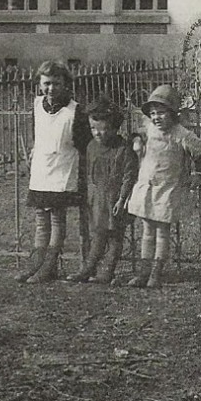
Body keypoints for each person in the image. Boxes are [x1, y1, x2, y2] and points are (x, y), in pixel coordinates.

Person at [126, 85, 201, 290]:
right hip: (147, 186)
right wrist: (137, 141)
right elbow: (135, 134)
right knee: (147, 231)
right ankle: (143, 272)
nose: (157, 118)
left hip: (167, 190)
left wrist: (197, 175)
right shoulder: (149, 129)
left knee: (162, 232)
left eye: (162, 112)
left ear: (173, 114)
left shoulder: (181, 134)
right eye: (153, 113)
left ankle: (157, 272)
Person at [15, 60, 91, 283]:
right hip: (41, 168)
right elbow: (37, 133)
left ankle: (49, 266)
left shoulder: (74, 111)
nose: (51, 89)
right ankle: (36, 264)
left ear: (66, 85)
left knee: (57, 219)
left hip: (63, 170)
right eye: (46, 83)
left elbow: (83, 143)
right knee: (41, 219)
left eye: (56, 84)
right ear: (39, 84)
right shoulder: (37, 105)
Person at [67, 95, 138, 285]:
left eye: (104, 129)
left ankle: (107, 271)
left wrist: (123, 199)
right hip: (97, 200)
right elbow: (89, 173)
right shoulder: (91, 146)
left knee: (115, 237)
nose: (98, 134)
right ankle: (88, 268)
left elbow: (129, 176)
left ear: (115, 128)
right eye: (93, 129)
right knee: (98, 235)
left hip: (116, 201)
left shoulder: (123, 149)